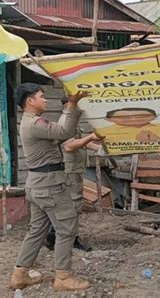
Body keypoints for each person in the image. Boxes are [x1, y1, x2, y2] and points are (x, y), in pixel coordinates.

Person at [10, 83, 90, 292]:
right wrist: (71, 105)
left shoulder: (30, 122)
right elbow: (64, 131)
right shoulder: (34, 123)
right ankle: (63, 277)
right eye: (41, 96)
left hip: (38, 185)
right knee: (67, 227)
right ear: (30, 101)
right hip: (50, 185)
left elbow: (58, 132)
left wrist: (69, 109)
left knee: (37, 230)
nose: (45, 100)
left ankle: (20, 275)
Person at [44, 96, 104, 252]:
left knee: (69, 204)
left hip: (74, 169)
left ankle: (55, 237)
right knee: (73, 204)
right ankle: (68, 239)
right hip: (70, 171)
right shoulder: (65, 122)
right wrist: (91, 137)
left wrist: (99, 148)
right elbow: (70, 146)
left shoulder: (72, 121)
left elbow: (81, 142)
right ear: (68, 105)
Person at [96, 107, 160, 142]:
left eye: (140, 116)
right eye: (124, 117)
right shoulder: (102, 132)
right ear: (108, 119)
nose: (133, 120)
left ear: (154, 117)